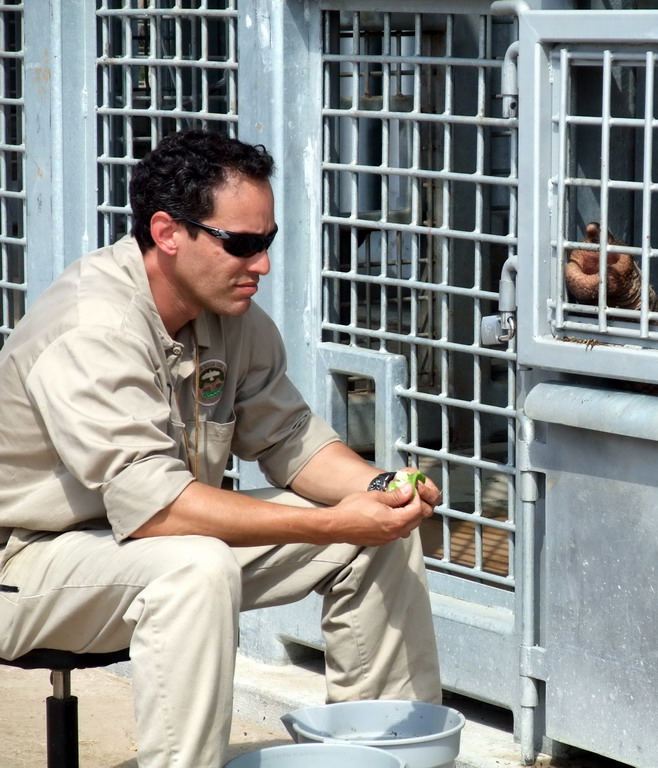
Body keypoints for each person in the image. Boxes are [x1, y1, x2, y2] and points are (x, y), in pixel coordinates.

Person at [0, 128, 442, 767]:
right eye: (241, 244)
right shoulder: (91, 326)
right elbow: (159, 512)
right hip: (26, 566)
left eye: (268, 242)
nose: (261, 265)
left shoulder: (230, 316)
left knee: (378, 535)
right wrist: (326, 521)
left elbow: (292, 441)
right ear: (168, 233)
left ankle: (381, 755)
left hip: (152, 544)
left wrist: (380, 493)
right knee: (196, 566)